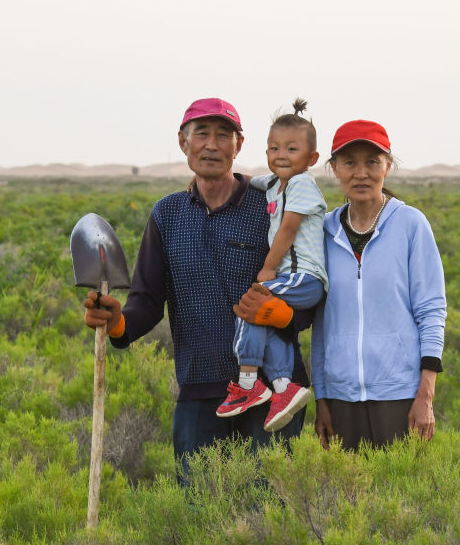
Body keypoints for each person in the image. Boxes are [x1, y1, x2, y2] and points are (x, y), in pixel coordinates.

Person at [83, 97, 308, 484]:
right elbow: (147, 302)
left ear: (239, 144)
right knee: (200, 516)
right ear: (183, 141)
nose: (212, 144)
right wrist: (118, 322)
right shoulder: (167, 215)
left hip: (272, 392)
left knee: (269, 518)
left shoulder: (271, 207)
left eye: (224, 135)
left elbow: (309, 285)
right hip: (199, 390)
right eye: (201, 133)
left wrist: (285, 315)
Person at [309, 119, 447, 450]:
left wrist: (425, 395)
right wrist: (322, 398)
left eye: (372, 161)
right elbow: (321, 325)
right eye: (349, 162)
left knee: (403, 498)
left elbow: (431, 310)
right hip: (341, 398)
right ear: (334, 168)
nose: (361, 173)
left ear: (387, 164)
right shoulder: (323, 231)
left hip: (400, 395)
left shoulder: (411, 224)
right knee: (346, 498)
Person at [216, 99, 327, 433]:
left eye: (291, 149)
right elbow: (252, 181)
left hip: (302, 277)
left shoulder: (302, 184)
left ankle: (248, 384)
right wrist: (223, 179)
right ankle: (283, 387)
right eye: (273, 147)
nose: (280, 155)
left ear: (311, 159)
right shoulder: (277, 183)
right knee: (269, 323)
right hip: (293, 279)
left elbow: (288, 229)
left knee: (252, 307)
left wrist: (267, 268)